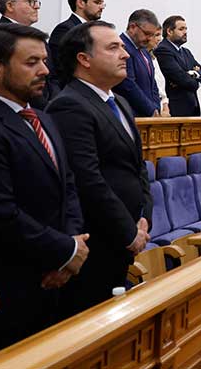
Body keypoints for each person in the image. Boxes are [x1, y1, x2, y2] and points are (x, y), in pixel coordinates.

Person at [47, 21, 152, 315]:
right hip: (98, 243)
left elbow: (137, 168)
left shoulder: (120, 102)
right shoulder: (70, 105)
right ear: (84, 59)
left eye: (122, 46)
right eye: (113, 47)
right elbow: (87, 179)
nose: (126, 55)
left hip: (126, 237)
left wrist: (144, 218)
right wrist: (127, 232)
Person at [0, 24, 87, 350]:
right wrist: (66, 251)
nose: (45, 71)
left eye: (45, 61)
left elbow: (69, 186)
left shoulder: (42, 117)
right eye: (31, 62)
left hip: (56, 278)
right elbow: (1, 212)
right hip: (11, 283)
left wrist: (72, 245)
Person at [48, 0, 105, 92]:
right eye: (97, 2)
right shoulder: (65, 29)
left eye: (102, 3)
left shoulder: (95, 30)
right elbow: (62, 69)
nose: (101, 7)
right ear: (80, 3)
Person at [154, 15, 201, 117]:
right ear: (169, 31)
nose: (185, 32)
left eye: (186, 29)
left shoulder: (186, 52)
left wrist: (194, 73)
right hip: (176, 109)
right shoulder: (163, 50)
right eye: (181, 29)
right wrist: (196, 83)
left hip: (192, 107)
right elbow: (181, 78)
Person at [115, 9, 162, 117]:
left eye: (152, 35)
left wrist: (156, 108)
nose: (150, 38)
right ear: (132, 27)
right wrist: (150, 110)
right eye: (146, 34)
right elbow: (128, 85)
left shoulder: (144, 51)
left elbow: (152, 84)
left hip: (149, 117)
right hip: (131, 115)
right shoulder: (121, 47)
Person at [147, 30, 170, 117]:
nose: (159, 39)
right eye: (156, 35)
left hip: (161, 107)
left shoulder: (153, 58)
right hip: (151, 109)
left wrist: (165, 105)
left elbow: (161, 85)